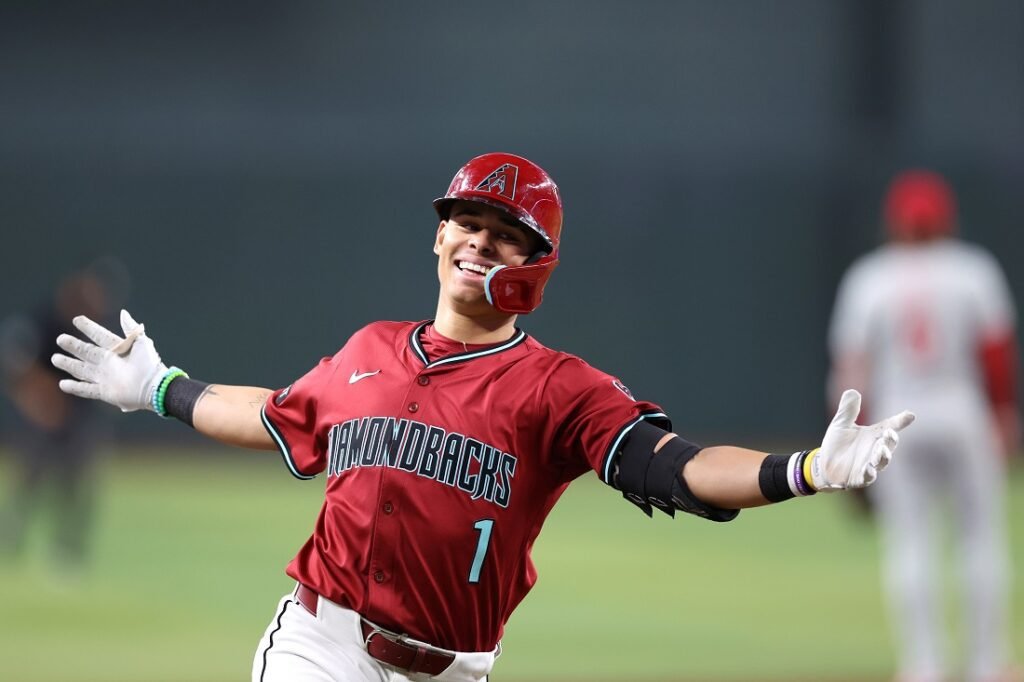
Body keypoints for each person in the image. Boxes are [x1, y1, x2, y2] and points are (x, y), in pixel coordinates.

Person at [51, 153, 914, 682]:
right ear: (437, 238)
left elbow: (673, 467)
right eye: (467, 221)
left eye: (505, 235)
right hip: (323, 646)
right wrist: (161, 386)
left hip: (455, 669)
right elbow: (277, 415)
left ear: (538, 266)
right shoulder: (368, 351)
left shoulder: (557, 389)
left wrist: (801, 471)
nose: (478, 242)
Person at [828, 169, 1020, 682]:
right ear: (946, 220)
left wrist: (847, 443)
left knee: (909, 541)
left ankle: (924, 666)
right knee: (981, 539)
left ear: (895, 222)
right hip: (962, 411)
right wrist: (1004, 415)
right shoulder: (973, 269)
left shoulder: (869, 276)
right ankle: (984, 664)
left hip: (896, 420)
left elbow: (851, 371)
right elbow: (997, 356)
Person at [0, 260, 127, 572]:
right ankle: (11, 540)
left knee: (79, 485)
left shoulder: (104, 325)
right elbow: (17, 362)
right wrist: (36, 397)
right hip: (45, 415)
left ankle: (68, 550)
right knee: (31, 480)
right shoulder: (47, 317)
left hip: (81, 416)